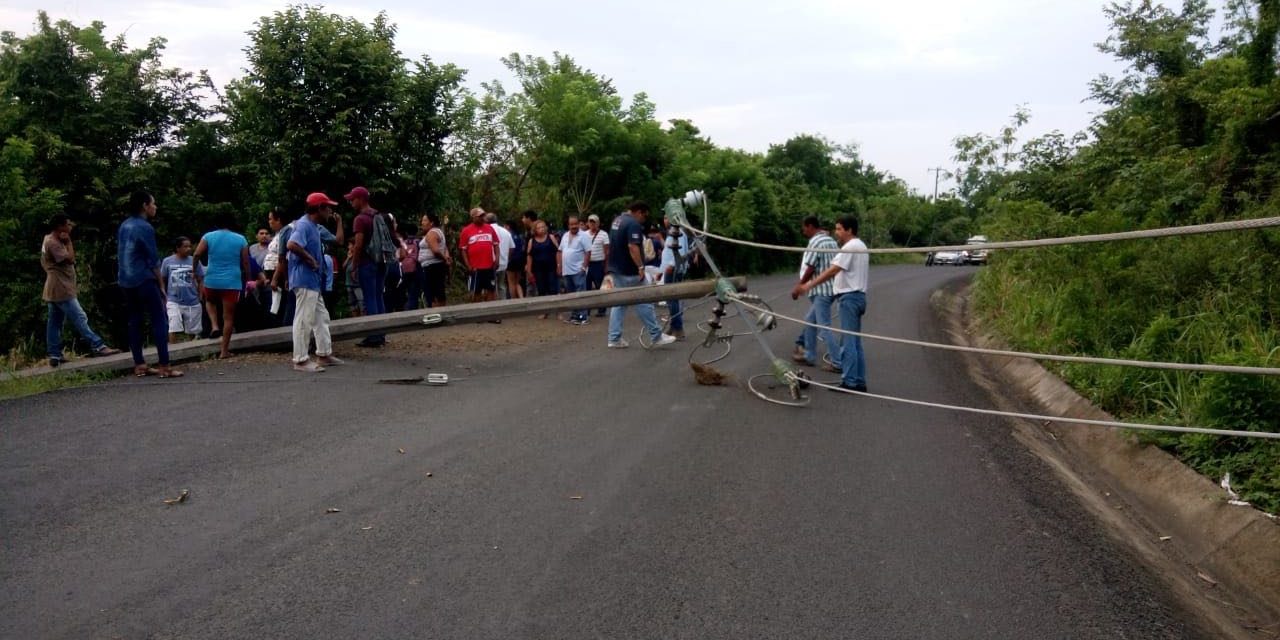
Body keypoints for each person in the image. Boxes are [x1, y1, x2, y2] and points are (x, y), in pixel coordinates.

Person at [793, 215, 868, 392]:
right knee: (855, 342)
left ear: (849, 230)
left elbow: (833, 269)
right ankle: (858, 380)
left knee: (848, 342)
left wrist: (809, 284)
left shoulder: (850, 247)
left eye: (840, 229)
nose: (837, 232)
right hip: (858, 297)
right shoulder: (861, 245)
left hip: (849, 297)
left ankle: (849, 382)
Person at [118, 190, 182, 378]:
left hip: (125, 280)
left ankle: (140, 364)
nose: (155, 206)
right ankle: (164, 365)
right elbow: (153, 259)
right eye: (152, 203)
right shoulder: (145, 227)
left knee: (135, 320)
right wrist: (161, 284)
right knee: (159, 319)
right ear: (145, 206)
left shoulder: (124, 226)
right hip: (144, 278)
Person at [42, 214, 120, 367]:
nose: (70, 226)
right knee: (80, 317)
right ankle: (98, 345)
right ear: (60, 227)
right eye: (68, 224)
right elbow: (70, 259)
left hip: (55, 287)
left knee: (55, 322)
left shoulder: (48, 239)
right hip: (61, 287)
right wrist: (69, 242)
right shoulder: (53, 243)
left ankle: (54, 354)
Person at [606, 201, 676, 349]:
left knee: (619, 303)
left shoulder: (617, 220)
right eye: (644, 215)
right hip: (631, 271)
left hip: (617, 269)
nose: (644, 219)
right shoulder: (633, 224)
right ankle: (656, 335)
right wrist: (640, 266)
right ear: (638, 212)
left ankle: (614, 338)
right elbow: (632, 246)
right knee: (645, 302)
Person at [288, 193, 344, 372]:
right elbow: (292, 244)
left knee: (321, 317)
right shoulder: (304, 224)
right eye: (327, 207)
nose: (329, 211)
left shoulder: (313, 226)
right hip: (304, 278)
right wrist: (310, 259)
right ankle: (300, 359)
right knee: (304, 319)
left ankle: (324, 353)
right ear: (319, 208)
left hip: (311, 280)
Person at [195, 212, 250, 359]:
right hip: (232, 281)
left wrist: (195, 271)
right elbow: (245, 262)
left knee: (209, 301)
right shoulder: (241, 239)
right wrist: (248, 278)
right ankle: (224, 351)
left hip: (212, 279)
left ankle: (214, 325)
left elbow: (196, 254)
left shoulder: (208, 237)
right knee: (228, 317)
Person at [790, 216, 839, 371]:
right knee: (810, 321)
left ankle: (837, 361)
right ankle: (809, 355)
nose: (803, 231)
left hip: (821, 290)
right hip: (832, 288)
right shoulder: (831, 241)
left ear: (810, 226)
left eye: (804, 228)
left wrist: (800, 286)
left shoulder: (815, 242)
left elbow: (810, 267)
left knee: (824, 326)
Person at [348, 186, 391, 347]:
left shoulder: (360, 219)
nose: (351, 202)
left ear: (360, 199)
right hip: (381, 261)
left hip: (367, 262)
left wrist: (354, 265)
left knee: (370, 298)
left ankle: (373, 336)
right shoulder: (378, 215)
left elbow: (358, 245)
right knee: (379, 297)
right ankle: (381, 333)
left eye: (353, 199)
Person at [160, 236, 205, 344]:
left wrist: (200, 295)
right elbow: (162, 278)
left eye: (190, 246)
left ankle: (192, 349)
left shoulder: (194, 261)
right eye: (185, 246)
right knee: (173, 325)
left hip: (192, 299)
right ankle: (172, 351)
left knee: (192, 329)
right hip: (173, 299)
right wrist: (163, 294)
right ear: (178, 248)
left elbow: (200, 279)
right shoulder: (167, 261)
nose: (189, 249)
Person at [458, 207, 499, 303]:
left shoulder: (489, 228)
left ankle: (490, 315)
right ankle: (478, 314)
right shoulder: (466, 230)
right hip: (475, 267)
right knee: (476, 291)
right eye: (480, 216)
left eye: (483, 215)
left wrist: (497, 259)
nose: (482, 217)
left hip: (489, 266)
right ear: (473, 217)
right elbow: (463, 250)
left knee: (491, 290)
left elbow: (496, 244)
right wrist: (468, 265)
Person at [559, 215, 591, 324]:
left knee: (580, 293)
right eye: (571, 224)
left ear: (579, 223)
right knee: (571, 294)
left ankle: (583, 316)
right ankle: (574, 315)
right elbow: (560, 251)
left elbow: (588, 252)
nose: (574, 226)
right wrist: (559, 266)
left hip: (578, 270)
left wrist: (584, 267)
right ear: (568, 225)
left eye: (575, 224)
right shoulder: (565, 236)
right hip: (567, 270)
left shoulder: (584, 236)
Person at [418, 213, 450, 308]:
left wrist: (445, 259)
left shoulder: (431, 233)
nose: (422, 223)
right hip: (435, 266)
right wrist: (446, 257)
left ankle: (436, 314)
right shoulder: (438, 232)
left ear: (431, 223)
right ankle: (439, 313)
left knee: (433, 293)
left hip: (432, 267)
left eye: (424, 220)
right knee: (438, 291)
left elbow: (436, 251)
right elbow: (444, 248)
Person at [525, 219, 559, 309]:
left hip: (551, 267)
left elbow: (558, 251)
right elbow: (529, 256)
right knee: (541, 289)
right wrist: (529, 270)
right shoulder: (531, 241)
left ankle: (557, 310)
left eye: (543, 227)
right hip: (538, 269)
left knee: (553, 289)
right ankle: (544, 310)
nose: (542, 229)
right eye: (539, 227)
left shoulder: (551, 237)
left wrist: (559, 265)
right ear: (535, 230)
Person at [486, 212, 514, 300]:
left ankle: (493, 305)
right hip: (503, 263)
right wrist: (507, 258)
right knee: (501, 285)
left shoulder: (486, 231)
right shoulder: (505, 231)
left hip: (489, 263)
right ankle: (503, 303)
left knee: (491, 286)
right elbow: (512, 247)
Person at [505, 220, 526, 299]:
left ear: (508, 226)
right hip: (520, 260)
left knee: (511, 282)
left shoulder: (508, 236)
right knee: (517, 282)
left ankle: (514, 299)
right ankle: (521, 297)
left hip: (511, 260)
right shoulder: (519, 236)